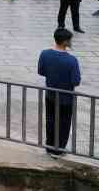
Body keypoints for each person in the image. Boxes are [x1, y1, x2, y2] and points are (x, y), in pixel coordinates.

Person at [37, 28, 81, 157]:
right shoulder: (72, 60)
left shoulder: (45, 54)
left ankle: (49, 146)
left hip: (50, 94)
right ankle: (59, 149)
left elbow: (41, 71)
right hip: (66, 98)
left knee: (50, 120)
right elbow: (76, 81)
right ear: (66, 42)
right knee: (64, 123)